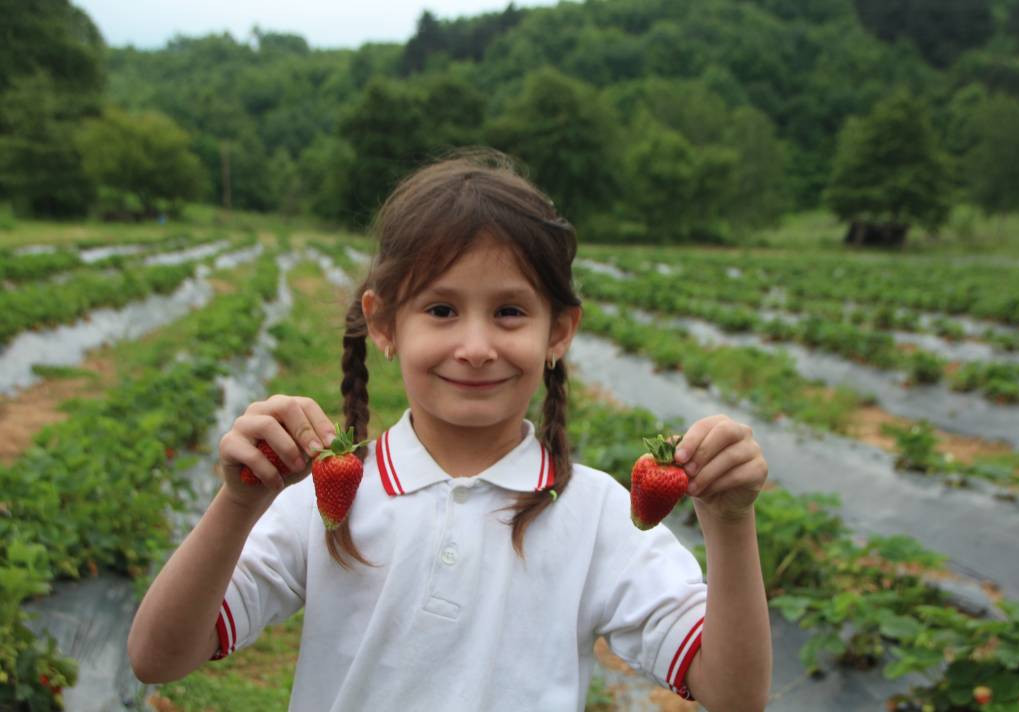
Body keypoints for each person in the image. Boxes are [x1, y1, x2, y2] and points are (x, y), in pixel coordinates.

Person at [127, 149, 772, 711]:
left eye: (509, 311)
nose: (475, 347)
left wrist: (728, 522)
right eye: (441, 309)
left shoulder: (598, 515)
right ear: (383, 324)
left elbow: (733, 694)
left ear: (558, 332)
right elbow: (158, 656)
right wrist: (239, 503)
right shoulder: (329, 495)